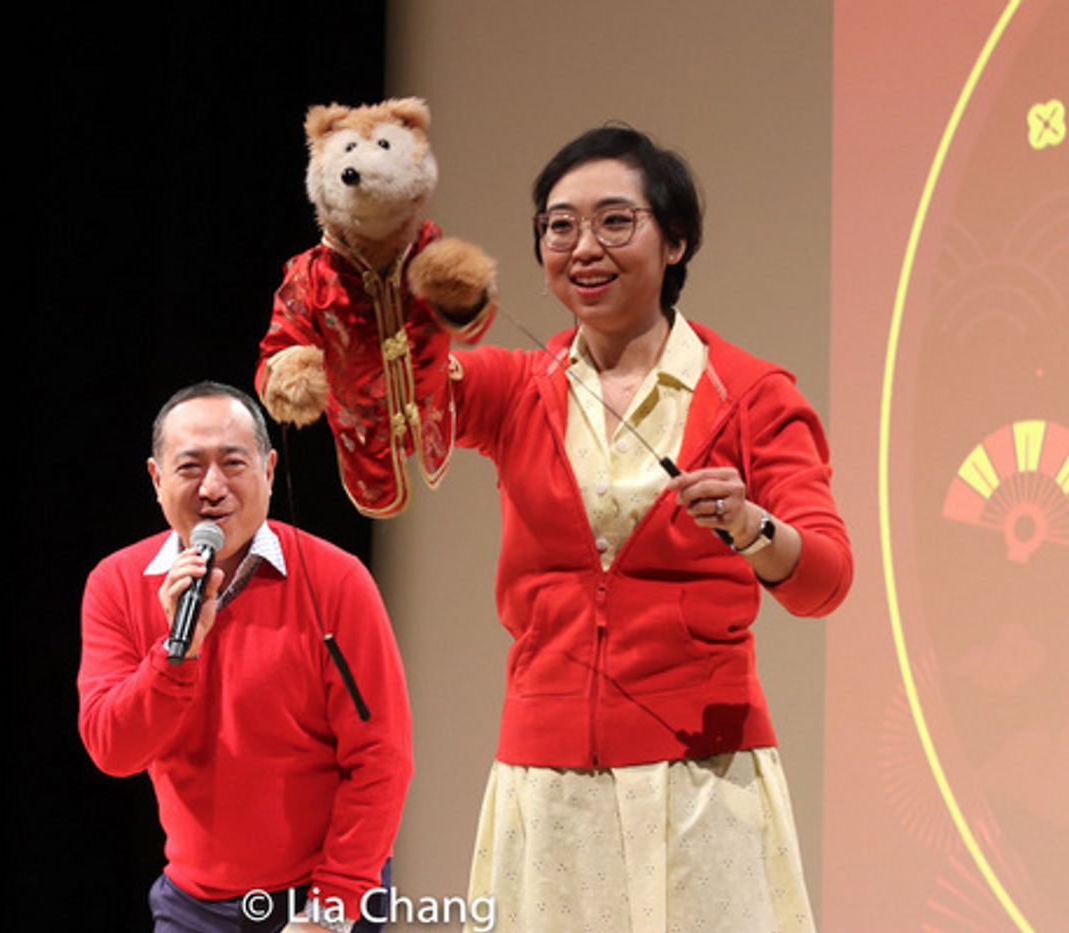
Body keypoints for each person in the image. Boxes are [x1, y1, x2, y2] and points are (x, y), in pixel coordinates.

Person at [442, 127, 853, 932]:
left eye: (614, 221)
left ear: (677, 240)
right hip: (545, 777)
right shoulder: (514, 385)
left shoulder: (753, 393)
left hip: (702, 782)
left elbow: (825, 579)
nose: (583, 246)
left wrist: (748, 524)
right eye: (559, 226)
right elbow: (388, 408)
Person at [77, 381, 413, 933]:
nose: (213, 487)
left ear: (269, 469)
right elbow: (113, 751)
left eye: (233, 463)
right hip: (192, 904)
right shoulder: (117, 583)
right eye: (190, 467)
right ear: (157, 479)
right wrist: (174, 655)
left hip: (321, 895)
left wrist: (329, 910)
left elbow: (381, 757)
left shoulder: (336, 580)